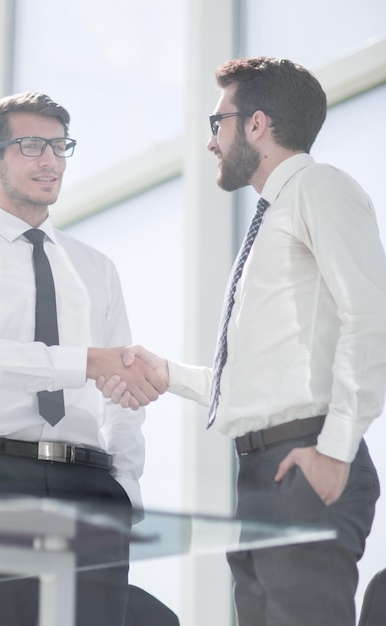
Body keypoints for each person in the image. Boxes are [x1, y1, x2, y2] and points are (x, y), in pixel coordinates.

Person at [99, 57, 386, 626]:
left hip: (305, 460)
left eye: (218, 122)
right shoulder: (272, 218)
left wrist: (333, 451)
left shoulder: (318, 188)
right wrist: (168, 374)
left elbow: (373, 317)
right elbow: (261, 382)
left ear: (256, 124)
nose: (211, 142)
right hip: (261, 474)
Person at [0, 91, 166, 626]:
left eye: (59, 146)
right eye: (32, 146)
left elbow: (122, 386)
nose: (50, 161)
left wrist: (125, 488)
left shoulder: (96, 268)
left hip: (90, 484)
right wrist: (85, 362)